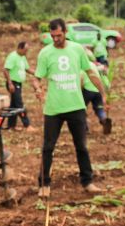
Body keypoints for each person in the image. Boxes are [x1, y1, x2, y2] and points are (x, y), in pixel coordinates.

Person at [32, 18, 108, 198]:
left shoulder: (77, 49)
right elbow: (37, 77)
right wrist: (37, 88)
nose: (55, 39)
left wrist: (102, 93)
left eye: (58, 35)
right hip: (54, 109)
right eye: (52, 36)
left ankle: (87, 181)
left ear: (65, 32)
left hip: (75, 106)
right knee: (48, 147)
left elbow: (90, 72)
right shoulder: (45, 53)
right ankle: (44, 183)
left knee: (81, 146)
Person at [2, 41, 35, 130]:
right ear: (20, 48)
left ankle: (11, 126)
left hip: (18, 84)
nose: (26, 52)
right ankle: (27, 125)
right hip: (13, 83)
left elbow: (27, 69)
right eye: (25, 50)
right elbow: (5, 70)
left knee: (13, 105)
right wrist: (10, 83)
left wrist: (37, 73)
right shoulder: (13, 56)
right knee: (19, 104)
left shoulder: (22, 57)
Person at [82, 46, 112, 135]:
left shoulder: (83, 66)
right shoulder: (96, 66)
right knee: (99, 108)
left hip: (86, 90)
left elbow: (81, 79)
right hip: (98, 90)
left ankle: (85, 128)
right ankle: (103, 119)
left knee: (82, 109)